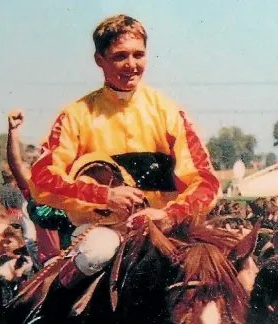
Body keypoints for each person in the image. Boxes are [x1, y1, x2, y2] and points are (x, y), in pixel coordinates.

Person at [28, 14, 219, 276]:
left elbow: (207, 182)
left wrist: (169, 215)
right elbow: (42, 179)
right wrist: (104, 196)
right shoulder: (76, 115)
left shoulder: (169, 112)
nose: (131, 65)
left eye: (138, 55)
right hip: (105, 231)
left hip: (166, 229)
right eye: (120, 56)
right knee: (97, 252)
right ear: (99, 60)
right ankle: (48, 307)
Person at [7, 109, 64, 267]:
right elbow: (16, 165)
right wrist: (13, 131)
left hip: (81, 257)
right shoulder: (35, 191)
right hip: (51, 265)